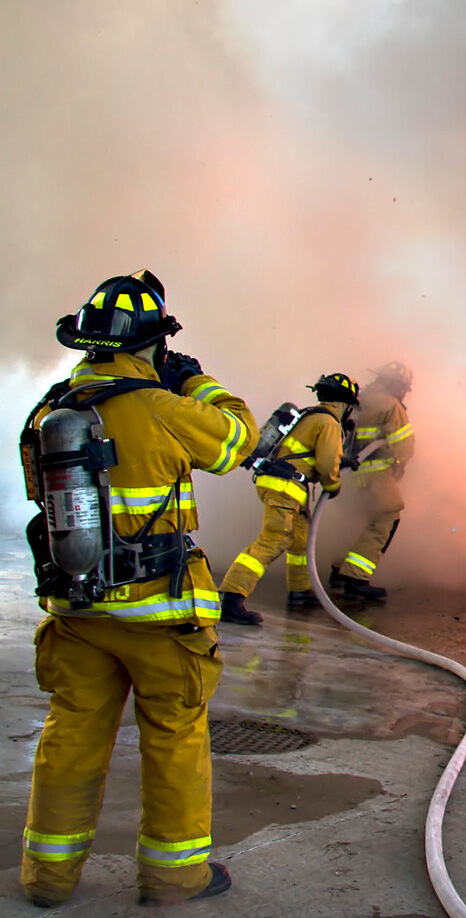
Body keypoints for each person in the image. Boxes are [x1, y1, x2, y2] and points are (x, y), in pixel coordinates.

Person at [20, 271, 258, 907]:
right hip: (160, 618)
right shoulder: (165, 408)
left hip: (77, 611)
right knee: (174, 740)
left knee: (70, 737)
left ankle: (47, 878)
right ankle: (174, 877)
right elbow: (240, 436)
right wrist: (193, 379)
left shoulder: (50, 413)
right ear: (153, 344)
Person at [219, 373, 360, 624]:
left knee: (299, 539)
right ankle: (230, 597)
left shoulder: (310, 415)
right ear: (343, 404)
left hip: (279, 482)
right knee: (273, 540)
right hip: (286, 487)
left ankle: (300, 590)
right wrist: (334, 484)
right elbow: (327, 465)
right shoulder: (329, 423)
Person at [328, 361, 415, 600]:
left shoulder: (359, 399)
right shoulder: (391, 406)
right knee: (386, 519)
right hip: (375, 475)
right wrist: (398, 466)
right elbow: (404, 446)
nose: (404, 393)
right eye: (403, 387)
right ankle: (356, 578)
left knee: (357, 521)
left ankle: (338, 570)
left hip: (348, 475)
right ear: (396, 385)